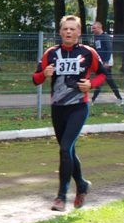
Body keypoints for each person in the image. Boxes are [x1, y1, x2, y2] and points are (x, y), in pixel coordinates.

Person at [32, 15, 107, 212]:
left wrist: (91, 84)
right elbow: (36, 78)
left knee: (65, 149)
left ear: (79, 32)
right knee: (69, 151)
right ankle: (81, 184)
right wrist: (44, 74)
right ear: (60, 32)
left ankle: (60, 197)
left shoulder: (88, 52)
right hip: (58, 108)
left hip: (79, 107)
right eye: (65, 29)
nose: (68, 32)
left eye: (72, 29)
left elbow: (103, 74)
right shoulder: (51, 53)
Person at [90, 21, 123, 105]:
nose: (92, 30)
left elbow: (109, 49)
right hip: (100, 62)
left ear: (99, 27)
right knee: (108, 80)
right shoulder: (96, 37)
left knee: (103, 80)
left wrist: (106, 61)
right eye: (92, 28)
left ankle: (92, 100)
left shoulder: (105, 36)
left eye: (94, 28)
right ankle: (120, 98)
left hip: (106, 63)